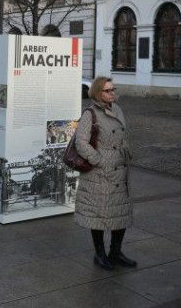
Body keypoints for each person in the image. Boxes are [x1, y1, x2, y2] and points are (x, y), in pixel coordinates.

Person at [73, 76, 136, 271]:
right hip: (100, 175)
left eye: (113, 89)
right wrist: (100, 160)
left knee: (120, 212)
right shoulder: (90, 114)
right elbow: (80, 143)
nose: (112, 93)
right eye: (108, 90)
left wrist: (126, 150)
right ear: (98, 93)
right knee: (98, 214)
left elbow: (124, 134)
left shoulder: (117, 109)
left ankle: (115, 252)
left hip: (119, 171)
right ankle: (99, 254)